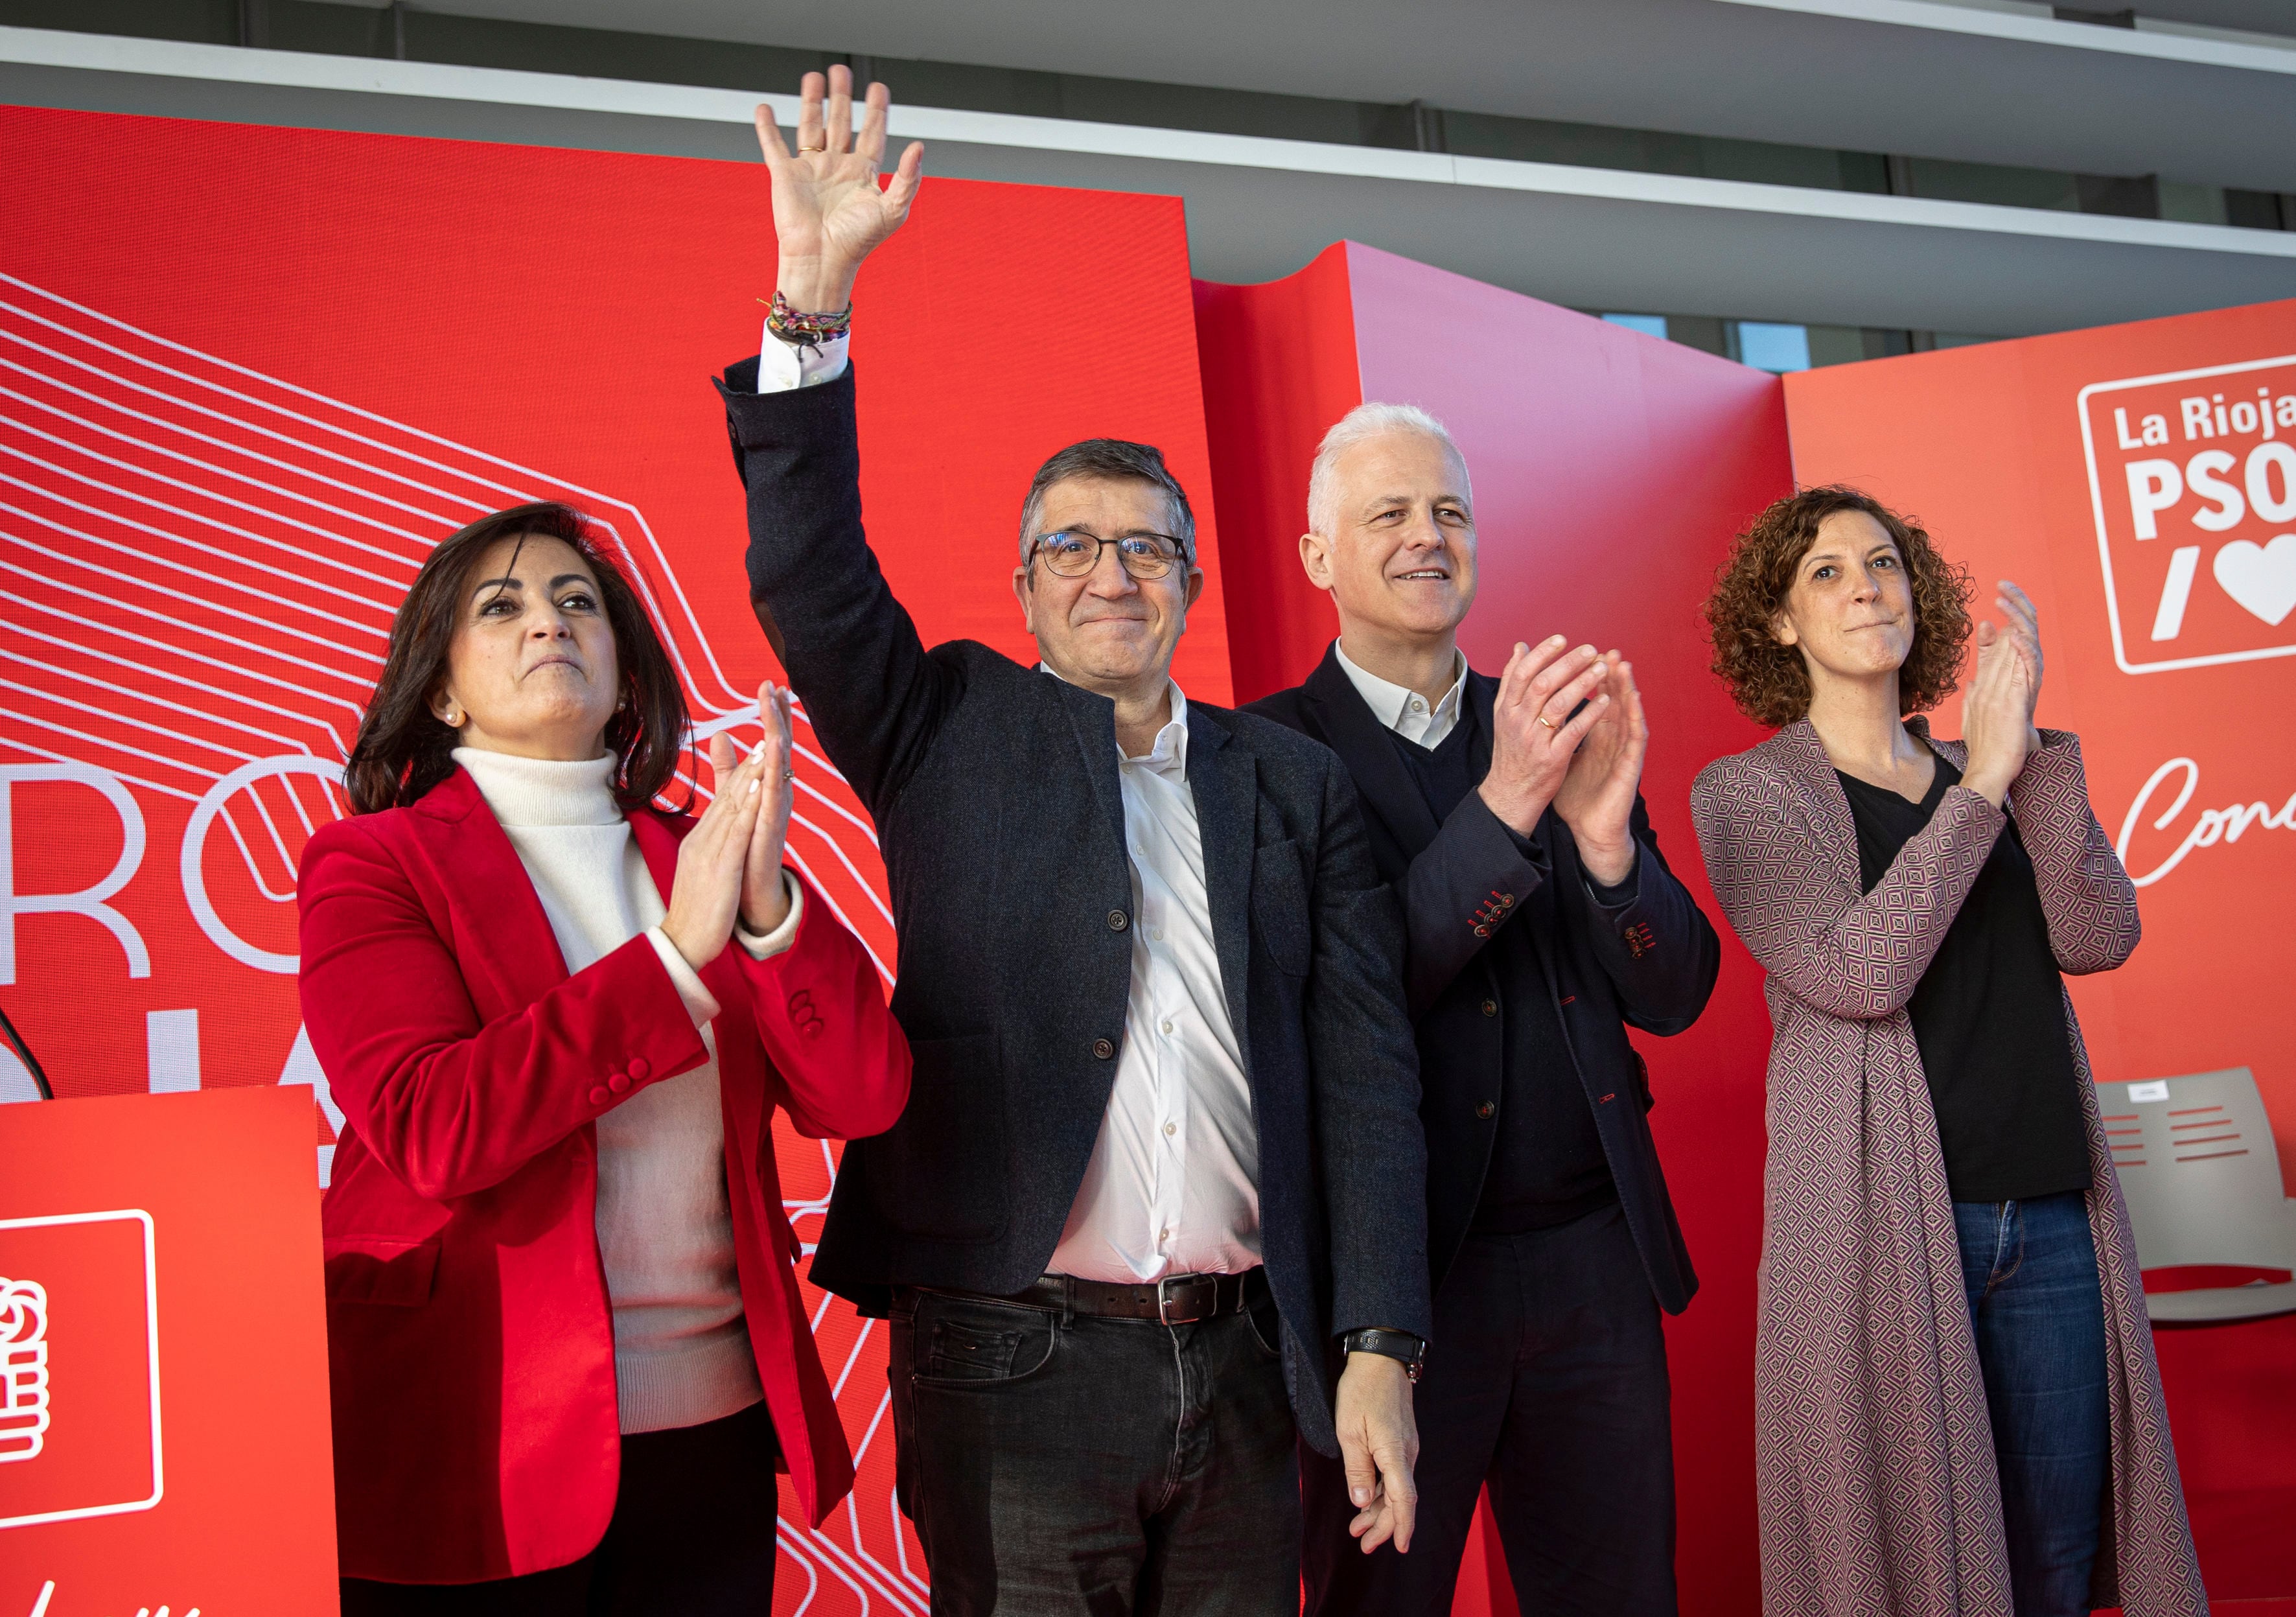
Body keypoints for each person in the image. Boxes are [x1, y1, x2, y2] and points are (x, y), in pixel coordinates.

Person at [712, 67, 1432, 1616]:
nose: (1111, 572)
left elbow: (1367, 1076)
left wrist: (1378, 1342)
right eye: (1071, 547)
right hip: (1010, 1361)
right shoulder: (944, 725)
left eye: (1145, 547)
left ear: (1186, 582)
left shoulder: (1289, 785)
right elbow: (812, 576)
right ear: (1026, 588)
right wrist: (812, 301)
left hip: (1250, 1362)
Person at [299, 500, 911, 1615]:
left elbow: (863, 1096)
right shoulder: (370, 865)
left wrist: (769, 911)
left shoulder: (708, 853)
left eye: (577, 602)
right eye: (503, 606)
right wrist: (675, 959)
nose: (549, 625)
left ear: (626, 673)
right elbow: (436, 1128)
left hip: (710, 1436)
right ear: (440, 691)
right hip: (472, 1444)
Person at [1688, 487, 2205, 1617]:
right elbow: (1860, 975)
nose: (1867, 586)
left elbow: (2099, 934)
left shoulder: (1998, 767)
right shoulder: (1749, 795)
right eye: (1825, 573)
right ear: (1776, 622)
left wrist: (2030, 762)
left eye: (1884, 564)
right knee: (1926, 1572)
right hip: (1884, 1227)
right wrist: (1978, 792)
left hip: (2053, 1211)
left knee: (2058, 1565)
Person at [1245, 403, 1721, 1614]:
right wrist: (1509, 807)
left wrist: (1609, 849)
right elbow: (1336, 1008)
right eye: (1390, 513)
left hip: (1593, 1270)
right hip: (1392, 1297)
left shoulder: (1556, 720)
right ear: (1319, 557)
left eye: (1449, 511)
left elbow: (1676, 993)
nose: (1427, 536)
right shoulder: (1266, 759)